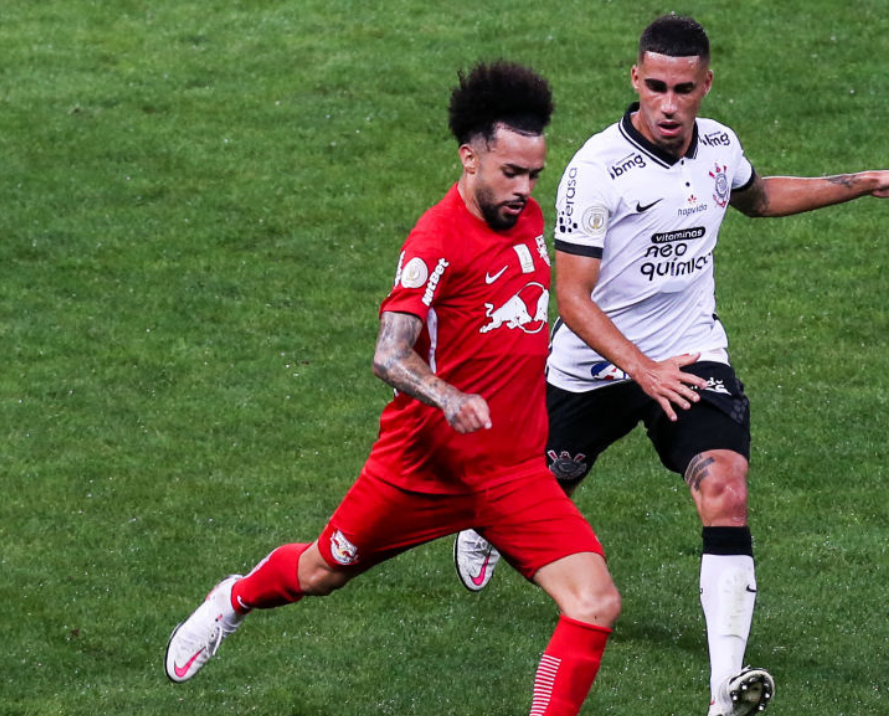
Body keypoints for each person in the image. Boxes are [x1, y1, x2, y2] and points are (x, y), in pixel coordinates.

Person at [452, 15, 889, 716]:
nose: (667, 102)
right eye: (654, 85)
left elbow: (757, 196)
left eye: (683, 89)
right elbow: (571, 296)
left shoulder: (717, 145)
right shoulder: (597, 170)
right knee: (532, 508)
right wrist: (641, 370)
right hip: (591, 369)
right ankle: (482, 527)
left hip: (689, 354)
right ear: (634, 80)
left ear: (704, 85)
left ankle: (724, 690)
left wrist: (864, 180)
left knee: (725, 486)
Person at [164, 60, 621, 716]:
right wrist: (449, 397)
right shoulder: (435, 241)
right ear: (469, 158)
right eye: (510, 172)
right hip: (420, 469)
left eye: (532, 174)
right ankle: (231, 599)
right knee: (323, 570)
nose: (524, 189)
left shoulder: (522, 218)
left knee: (595, 602)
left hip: (513, 473)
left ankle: (486, 539)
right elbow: (387, 355)